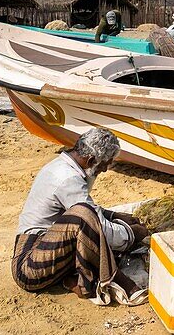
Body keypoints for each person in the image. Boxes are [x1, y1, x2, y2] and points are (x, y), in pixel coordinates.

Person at [12, 128, 149, 304]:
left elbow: (87, 211)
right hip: (29, 266)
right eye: (104, 164)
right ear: (91, 159)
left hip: (48, 249)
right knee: (84, 216)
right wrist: (131, 234)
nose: (105, 170)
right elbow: (91, 220)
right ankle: (120, 281)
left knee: (88, 217)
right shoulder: (67, 178)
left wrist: (114, 214)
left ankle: (70, 280)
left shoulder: (65, 167)